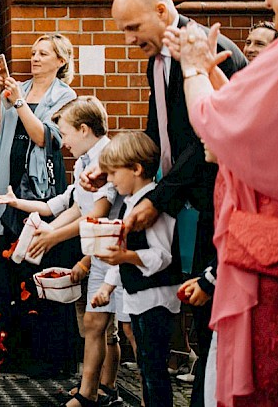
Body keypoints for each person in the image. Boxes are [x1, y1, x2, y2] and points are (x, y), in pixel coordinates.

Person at [164, 0, 278, 406]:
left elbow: (218, 124)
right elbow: (261, 119)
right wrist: (214, 74)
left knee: (276, 376)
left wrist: (190, 68)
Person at [96, 0, 246, 407]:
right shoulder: (154, 61)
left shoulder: (203, 55)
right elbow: (157, 134)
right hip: (186, 201)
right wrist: (112, 174)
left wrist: (159, 199)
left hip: (216, 200)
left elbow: (206, 142)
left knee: (207, 308)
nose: (128, 40)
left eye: (132, 28)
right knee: (194, 311)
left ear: (162, 12)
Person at [0, 96, 123, 406]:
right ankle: (98, 390)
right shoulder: (83, 161)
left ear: (82, 129)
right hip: (97, 246)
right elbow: (71, 204)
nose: (62, 143)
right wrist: (24, 208)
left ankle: (96, 392)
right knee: (98, 325)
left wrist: (54, 236)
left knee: (112, 327)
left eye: (64, 134)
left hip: (112, 249)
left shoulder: (107, 158)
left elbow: (97, 214)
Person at [0, 33, 77, 377]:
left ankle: (46, 356)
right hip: (7, 183)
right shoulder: (15, 86)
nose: (34, 58)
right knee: (8, 268)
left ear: (61, 61)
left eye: (43, 53)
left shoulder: (66, 96)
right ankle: (11, 354)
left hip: (39, 191)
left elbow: (44, 138)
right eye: (33, 53)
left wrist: (19, 103)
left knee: (36, 267)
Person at [92, 131, 181, 407]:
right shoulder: (129, 204)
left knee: (154, 370)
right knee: (146, 366)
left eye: (113, 173)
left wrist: (128, 256)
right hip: (138, 299)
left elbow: (162, 257)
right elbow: (121, 257)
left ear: (136, 169)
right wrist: (107, 287)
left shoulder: (154, 205)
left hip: (157, 300)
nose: (109, 180)